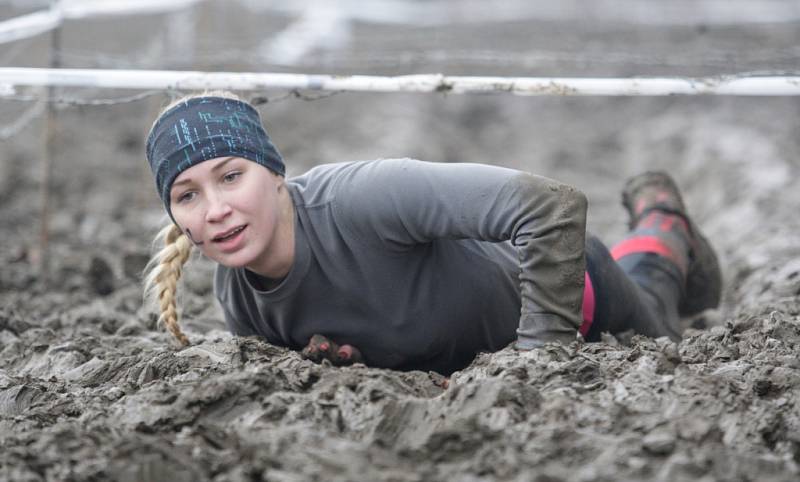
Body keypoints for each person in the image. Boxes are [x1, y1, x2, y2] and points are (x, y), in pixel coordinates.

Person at [143, 92, 721, 375]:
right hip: (473, 348)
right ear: (177, 218)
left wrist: (539, 362)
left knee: (659, 306)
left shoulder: (364, 197)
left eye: (231, 176)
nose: (215, 209)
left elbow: (556, 208)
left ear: (274, 174)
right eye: (187, 195)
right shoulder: (237, 296)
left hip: (581, 291)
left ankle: (663, 219)